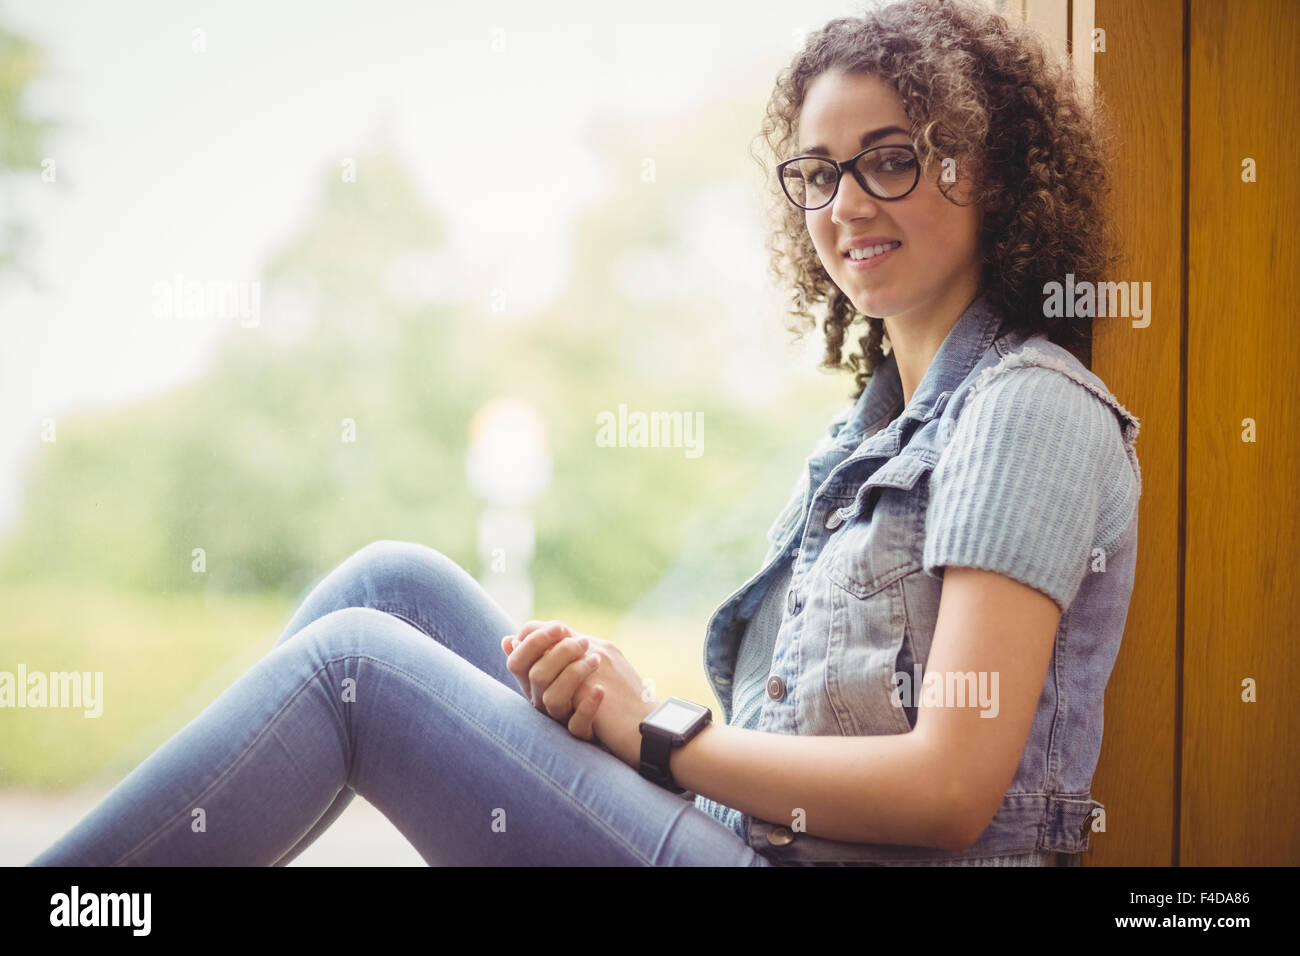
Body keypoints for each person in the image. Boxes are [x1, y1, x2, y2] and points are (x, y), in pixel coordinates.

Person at [29, 0, 1141, 867]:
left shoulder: (1025, 405)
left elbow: (952, 790)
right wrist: (619, 714)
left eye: (890, 158)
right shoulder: (867, 435)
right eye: (817, 171)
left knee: (353, 666)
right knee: (392, 586)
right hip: (736, 838)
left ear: (987, 171)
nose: (846, 201)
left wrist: (652, 729)